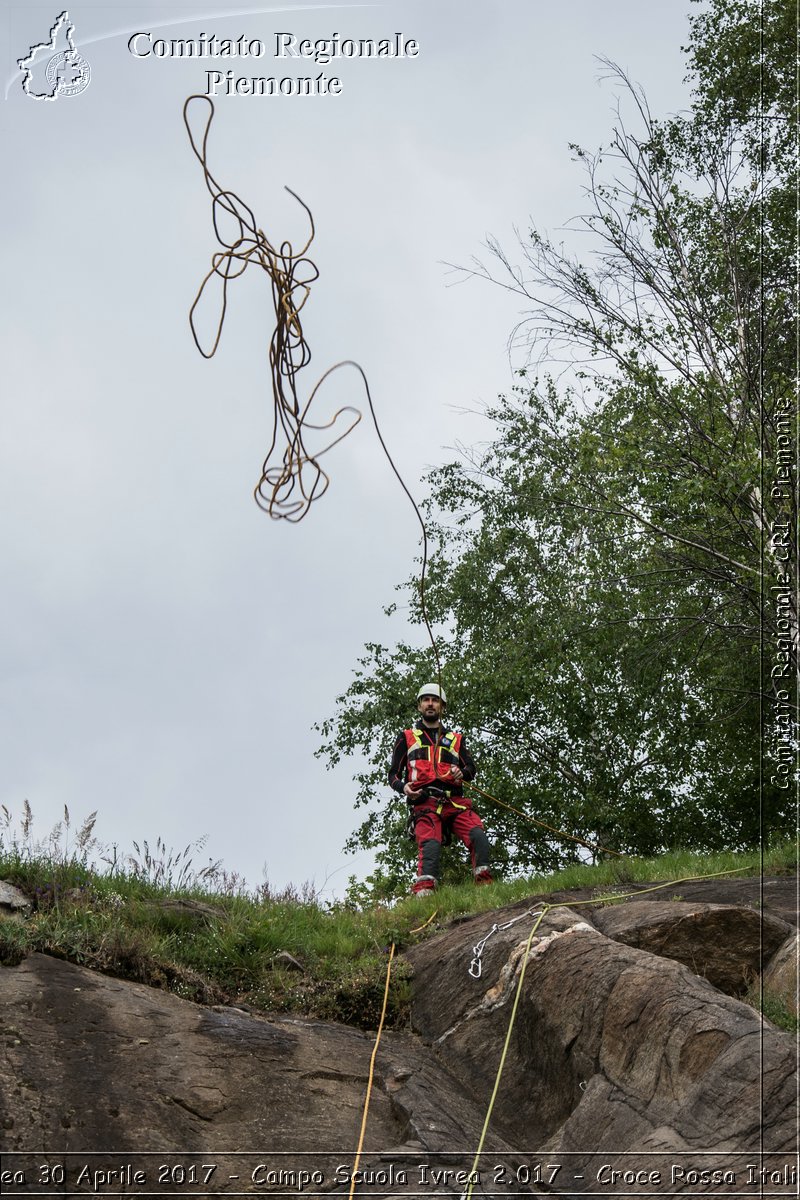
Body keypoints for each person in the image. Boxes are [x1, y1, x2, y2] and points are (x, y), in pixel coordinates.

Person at [388, 683, 493, 894]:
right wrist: (403, 787)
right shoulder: (407, 737)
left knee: (478, 837)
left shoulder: (455, 739)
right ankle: (425, 896)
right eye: (426, 700)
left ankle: (486, 891)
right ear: (419, 706)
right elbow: (393, 775)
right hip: (424, 803)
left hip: (454, 802)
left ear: (442, 707)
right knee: (431, 848)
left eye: (435, 700)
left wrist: (462, 773)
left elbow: (471, 768)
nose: (430, 704)